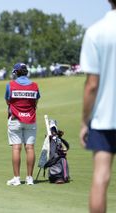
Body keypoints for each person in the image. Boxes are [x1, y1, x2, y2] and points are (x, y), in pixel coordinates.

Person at [79, 1, 116, 212]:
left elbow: (92, 85)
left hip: (104, 118)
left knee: (101, 177)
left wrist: (85, 121)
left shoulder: (96, 31)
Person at [5, 63, 40, 186]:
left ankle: (17, 178)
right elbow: (36, 101)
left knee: (16, 148)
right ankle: (30, 178)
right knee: (30, 148)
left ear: (16, 73)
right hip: (30, 119)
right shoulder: (35, 86)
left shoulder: (11, 85)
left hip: (15, 119)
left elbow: (7, 100)